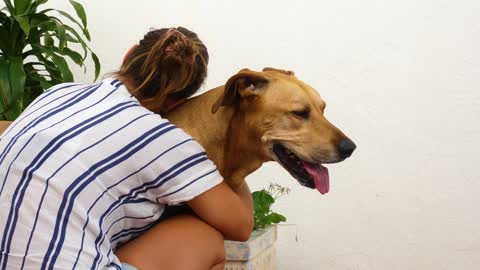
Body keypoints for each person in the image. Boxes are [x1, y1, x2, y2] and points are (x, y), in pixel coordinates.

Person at [0, 27, 253, 270]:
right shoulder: (161, 139)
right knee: (203, 238)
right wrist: (235, 158)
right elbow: (240, 226)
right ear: (178, 102)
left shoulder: (59, 93)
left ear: (128, 55)